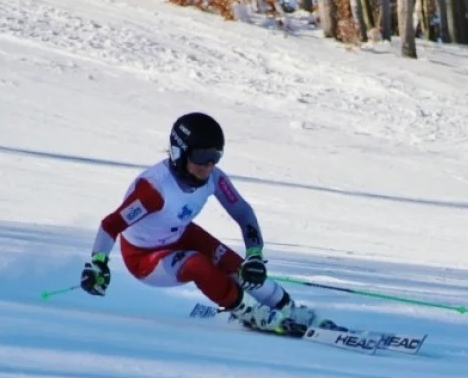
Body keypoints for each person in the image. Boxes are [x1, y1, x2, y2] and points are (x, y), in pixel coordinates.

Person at [79, 112, 317, 334]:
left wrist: (254, 253)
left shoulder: (214, 177)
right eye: (201, 157)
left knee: (238, 266)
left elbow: (243, 213)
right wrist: (99, 263)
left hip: (180, 234)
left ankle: (287, 307)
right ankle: (248, 311)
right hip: (143, 257)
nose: (208, 166)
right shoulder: (154, 190)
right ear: (178, 152)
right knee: (198, 264)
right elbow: (111, 225)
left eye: (215, 157)